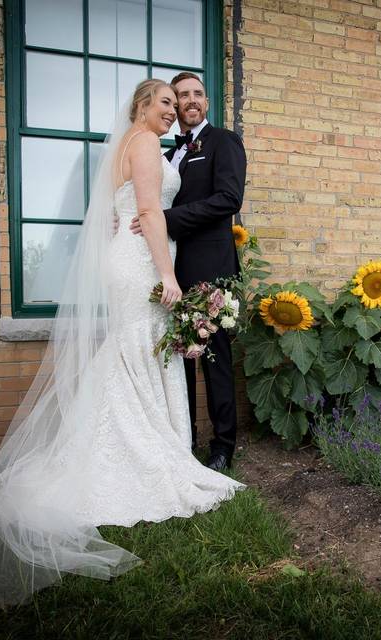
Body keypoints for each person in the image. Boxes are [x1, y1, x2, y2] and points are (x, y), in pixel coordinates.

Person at [0, 79, 243, 608]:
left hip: (135, 253)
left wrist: (146, 241)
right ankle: (145, 452)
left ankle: (163, 444)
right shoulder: (146, 143)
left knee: (136, 350)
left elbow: (148, 210)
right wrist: (166, 274)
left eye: (181, 101)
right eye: (166, 101)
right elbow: (148, 213)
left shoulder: (152, 143)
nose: (174, 109)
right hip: (145, 259)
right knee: (139, 350)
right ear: (142, 107)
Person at [130, 72, 247, 472]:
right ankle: (185, 438)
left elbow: (228, 199)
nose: (192, 100)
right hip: (172, 270)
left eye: (199, 93)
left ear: (207, 102)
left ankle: (223, 447)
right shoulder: (167, 155)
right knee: (179, 359)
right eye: (182, 95)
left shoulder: (223, 142)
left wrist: (166, 219)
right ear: (174, 105)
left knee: (214, 358)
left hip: (210, 268)